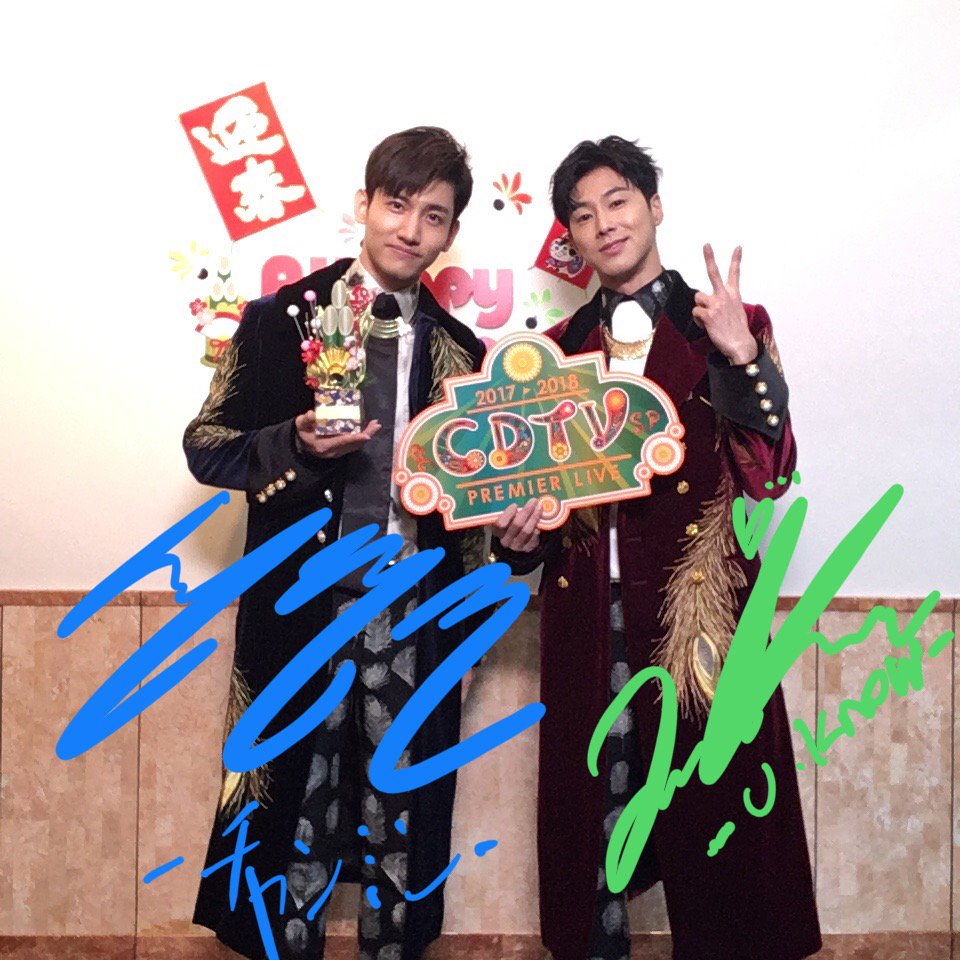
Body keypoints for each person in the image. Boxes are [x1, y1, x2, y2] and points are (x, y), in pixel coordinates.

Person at [493, 137, 822, 960]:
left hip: (699, 614)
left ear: (654, 207)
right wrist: (515, 539)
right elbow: (530, 511)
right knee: (594, 823)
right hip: (586, 614)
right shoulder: (555, 350)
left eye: (618, 201)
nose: (604, 223)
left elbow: (772, 470)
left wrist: (741, 356)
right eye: (583, 215)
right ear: (572, 237)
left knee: (720, 812)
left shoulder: (725, 326)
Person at [184, 126, 485, 960]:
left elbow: (475, 513)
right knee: (295, 814)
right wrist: (291, 441)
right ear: (363, 204)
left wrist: (498, 573)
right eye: (397, 204)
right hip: (301, 608)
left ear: (450, 234)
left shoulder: (465, 353)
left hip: (416, 613)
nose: (410, 229)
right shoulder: (278, 321)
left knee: (403, 815)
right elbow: (205, 446)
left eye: (433, 216)